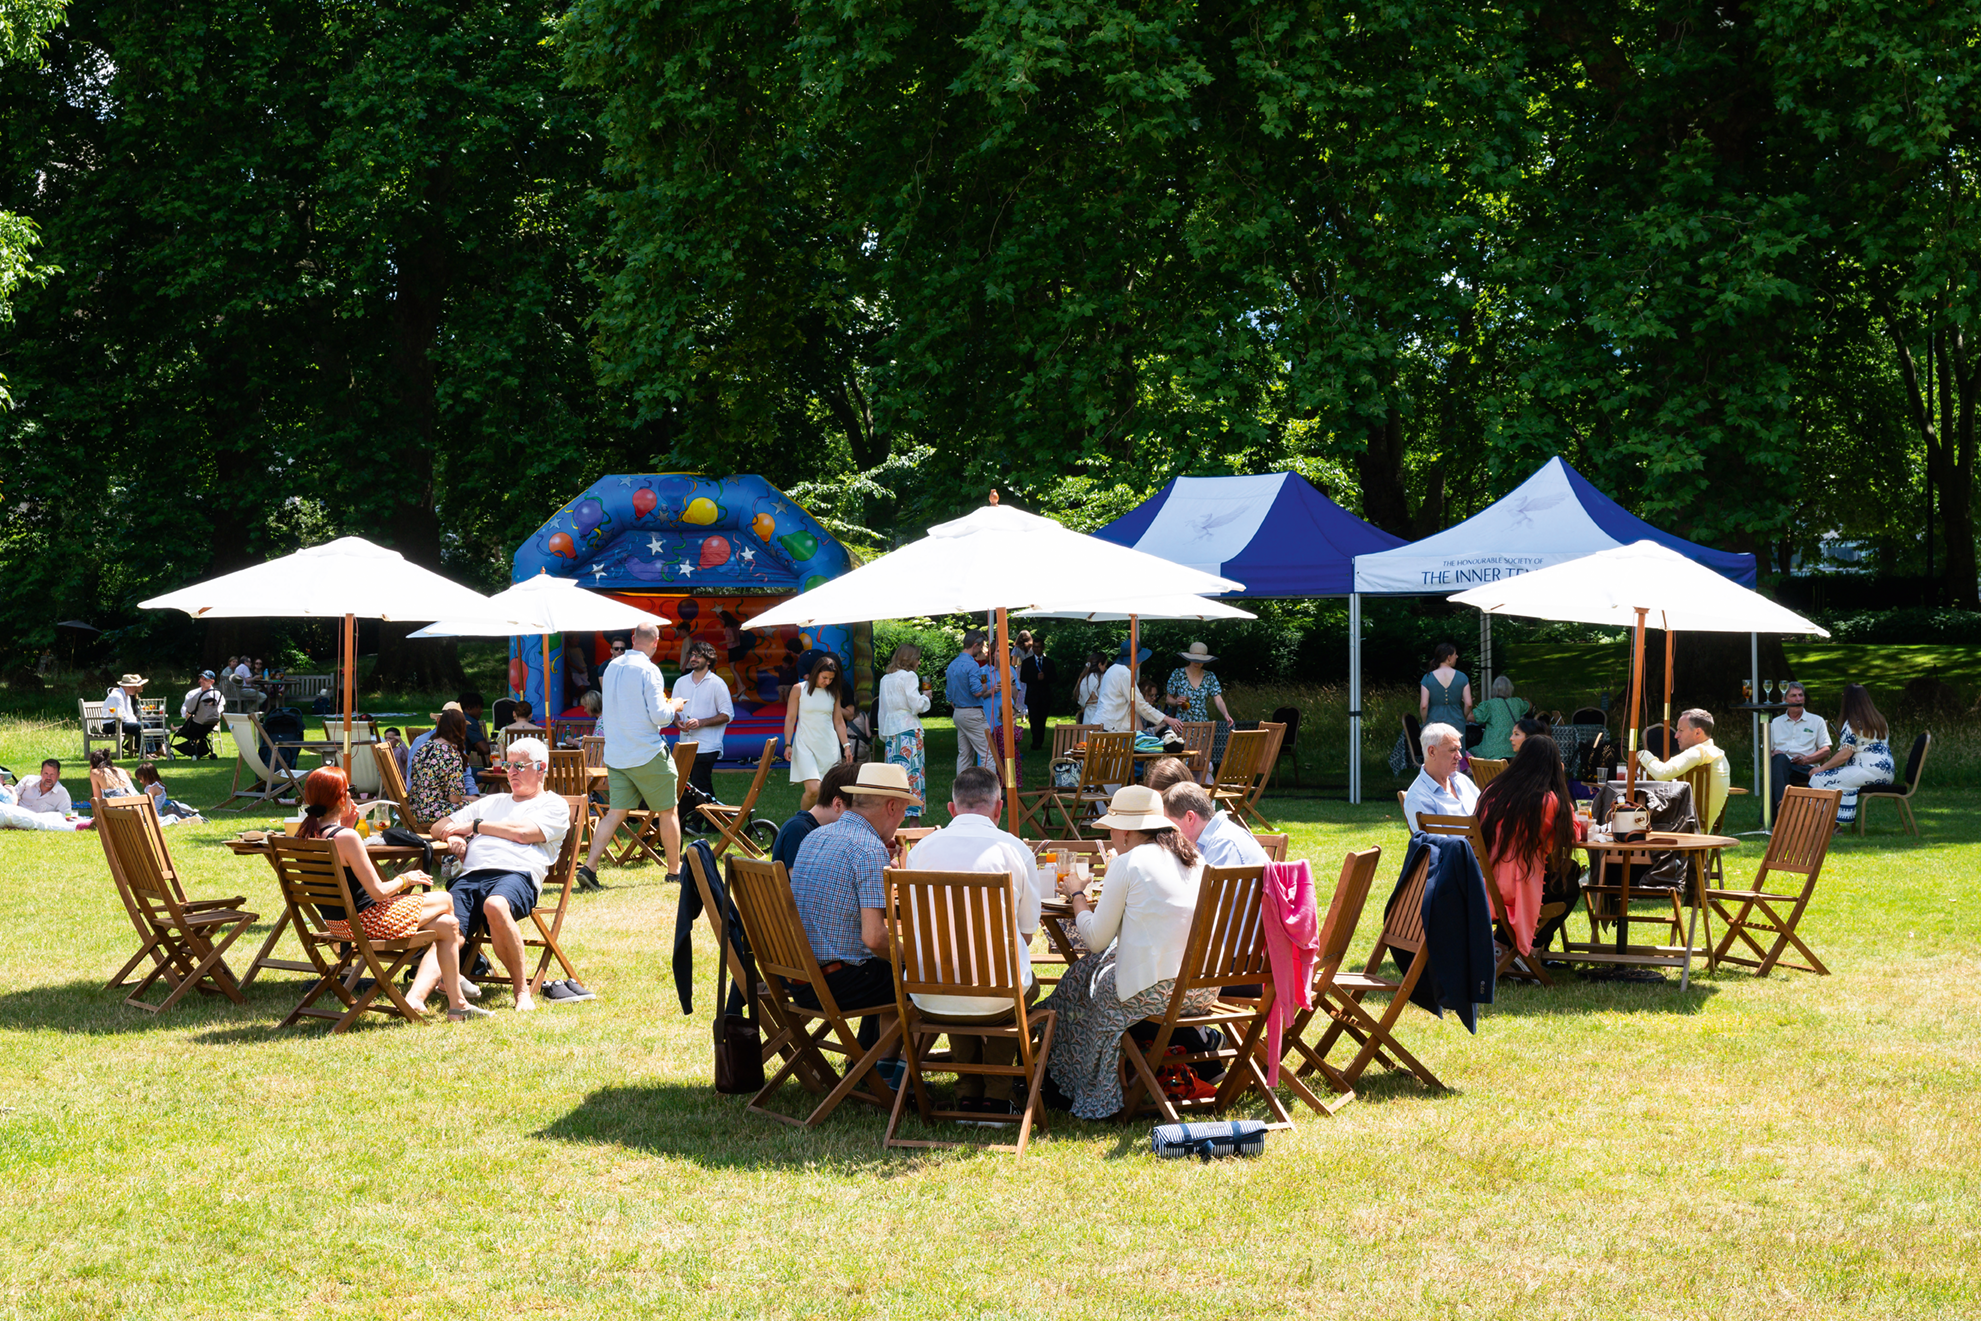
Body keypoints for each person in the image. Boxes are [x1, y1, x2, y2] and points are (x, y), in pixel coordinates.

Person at [1039, 785, 1206, 1119]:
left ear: (1126, 832)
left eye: (1112, 827)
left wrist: (1077, 896)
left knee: (1087, 985)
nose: (1111, 833)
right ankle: (1062, 1076)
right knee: (1081, 976)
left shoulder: (1128, 864)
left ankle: (1077, 1087)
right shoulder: (1193, 857)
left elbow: (1096, 939)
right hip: (1200, 989)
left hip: (1157, 992)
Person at [902, 766, 1041, 1118]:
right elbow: (1026, 933)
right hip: (996, 997)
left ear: (952, 809)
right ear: (998, 808)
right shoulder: (1013, 850)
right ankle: (996, 1096)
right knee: (1009, 987)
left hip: (930, 993)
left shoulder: (921, 851)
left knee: (959, 982)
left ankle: (966, 1094)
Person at [296, 766, 484, 1021]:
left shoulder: (304, 835)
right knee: (446, 898)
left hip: (337, 925)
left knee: (448, 924)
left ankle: (457, 1004)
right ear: (341, 798)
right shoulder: (346, 837)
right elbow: (379, 892)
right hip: (366, 923)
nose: (352, 796)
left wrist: (347, 824)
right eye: (349, 791)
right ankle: (450, 981)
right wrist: (406, 878)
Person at [429, 738, 571, 1012]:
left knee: (495, 905)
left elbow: (522, 833)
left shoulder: (553, 805)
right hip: (471, 875)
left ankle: (522, 994)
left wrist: (475, 826)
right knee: (446, 923)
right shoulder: (493, 801)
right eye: (508, 765)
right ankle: (416, 998)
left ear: (541, 768)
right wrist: (454, 837)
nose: (511, 772)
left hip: (516, 874)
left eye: (520, 765)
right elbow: (438, 826)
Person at [787, 762, 922, 1052]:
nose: (901, 819)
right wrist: (918, 957)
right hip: (835, 981)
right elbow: (874, 939)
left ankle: (869, 1064)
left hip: (798, 977)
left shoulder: (815, 836)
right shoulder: (868, 849)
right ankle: (892, 1075)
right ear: (891, 807)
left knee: (890, 970)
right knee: (925, 982)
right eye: (904, 811)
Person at [583, 621, 681, 889]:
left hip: (616, 753)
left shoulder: (612, 666)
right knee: (668, 811)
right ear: (656, 642)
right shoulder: (650, 670)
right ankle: (674, 872)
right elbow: (660, 715)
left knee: (615, 812)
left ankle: (589, 868)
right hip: (645, 751)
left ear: (632, 638)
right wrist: (675, 706)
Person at [1475, 736, 1582, 957]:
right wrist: (1562, 789)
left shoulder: (1491, 791)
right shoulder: (1546, 800)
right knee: (1569, 881)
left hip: (1483, 884)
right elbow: (1571, 835)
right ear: (1553, 766)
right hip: (1518, 887)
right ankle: (1518, 951)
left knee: (1566, 871)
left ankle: (1503, 946)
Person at [1808, 684, 1895, 827]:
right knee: (1834, 778)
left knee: (1819, 779)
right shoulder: (1880, 720)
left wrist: (1821, 768)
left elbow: (1845, 755)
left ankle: (1829, 826)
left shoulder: (1852, 723)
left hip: (1866, 770)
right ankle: (1833, 822)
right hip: (1887, 773)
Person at [1636, 708, 1731, 831]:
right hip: (1700, 833)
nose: (1676, 735)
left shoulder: (1700, 752)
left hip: (1677, 832)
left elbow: (1662, 773)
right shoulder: (1718, 755)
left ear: (1698, 732)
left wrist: (1643, 754)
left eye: (1681, 730)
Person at [784, 653, 851, 811]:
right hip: (804, 744)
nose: (827, 682)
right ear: (816, 672)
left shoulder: (833, 692)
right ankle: (802, 822)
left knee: (828, 793)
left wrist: (846, 746)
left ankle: (821, 824)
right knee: (814, 790)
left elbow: (839, 721)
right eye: (824, 677)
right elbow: (790, 718)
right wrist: (787, 744)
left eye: (831, 679)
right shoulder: (799, 689)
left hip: (828, 746)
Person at [771, 762, 862, 871]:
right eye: (858, 811)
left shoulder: (828, 831)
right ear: (838, 804)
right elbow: (798, 883)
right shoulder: (797, 830)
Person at [673, 640, 734, 803]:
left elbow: (727, 715)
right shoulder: (681, 682)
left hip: (707, 744)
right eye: (691, 655)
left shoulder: (717, 684)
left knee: (700, 782)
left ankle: (702, 820)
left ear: (708, 660)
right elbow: (674, 711)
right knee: (687, 784)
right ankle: (704, 818)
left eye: (698, 655)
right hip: (685, 743)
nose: (693, 658)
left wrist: (701, 722)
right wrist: (676, 721)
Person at [876, 643, 933, 818]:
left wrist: (883, 734)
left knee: (894, 777)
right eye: (917, 658)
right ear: (910, 659)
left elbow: (882, 709)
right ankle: (913, 818)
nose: (919, 662)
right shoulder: (909, 676)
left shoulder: (885, 679)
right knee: (912, 775)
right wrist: (926, 699)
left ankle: (893, 815)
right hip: (908, 730)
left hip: (891, 733)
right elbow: (916, 705)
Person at [1161, 780, 1267, 868]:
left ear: (1190, 818)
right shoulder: (1215, 838)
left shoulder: (1223, 844)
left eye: (1170, 825)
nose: (1168, 833)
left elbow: (1212, 893)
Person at [1769, 682, 1834, 815]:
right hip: (1782, 767)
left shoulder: (1816, 721)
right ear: (1784, 700)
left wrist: (1805, 759)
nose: (1798, 699)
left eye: (1800, 695)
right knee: (1779, 761)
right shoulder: (1776, 722)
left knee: (1776, 773)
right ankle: (1782, 806)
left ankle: (1776, 817)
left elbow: (1826, 750)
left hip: (1806, 768)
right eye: (1793, 696)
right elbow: (1767, 751)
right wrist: (1773, 752)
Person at [1404, 722, 1478, 832]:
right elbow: (1440, 845)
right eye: (1453, 750)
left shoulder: (1462, 780)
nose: (1459, 756)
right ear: (1432, 752)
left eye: (1459, 749)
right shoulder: (1419, 797)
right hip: (1463, 849)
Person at [408, 709, 473, 824]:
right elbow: (454, 799)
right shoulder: (451, 755)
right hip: (434, 813)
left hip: (415, 811)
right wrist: (471, 799)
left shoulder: (424, 747)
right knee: (479, 808)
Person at [945, 631, 995, 774]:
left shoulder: (952, 665)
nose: (981, 650)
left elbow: (949, 695)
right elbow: (977, 691)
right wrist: (986, 686)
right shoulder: (972, 665)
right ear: (975, 645)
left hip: (958, 713)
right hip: (973, 713)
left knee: (964, 755)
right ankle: (989, 790)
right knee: (987, 753)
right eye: (981, 647)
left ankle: (960, 790)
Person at [1097, 640, 1171, 734]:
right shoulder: (1124, 673)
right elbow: (1139, 704)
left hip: (1105, 724)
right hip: (1111, 727)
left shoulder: (1113, 669)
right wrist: (1167, 719)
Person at [1165, 642, 1234, 726]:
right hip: (1181, 724)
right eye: (1194, 660)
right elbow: (1168, 699)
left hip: (1202, 724)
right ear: (1189, 658)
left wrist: (1226, 714)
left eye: (1201, 660)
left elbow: (1218, 700)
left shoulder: (1209, 676)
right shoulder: (1178, 674)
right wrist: (1176, 701)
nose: (1197, 663)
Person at [1471, 675, 1530, 759]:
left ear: (1494, 689)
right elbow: (1529, 705)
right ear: (1510, 688)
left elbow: (1472, 717)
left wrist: (1467, 705)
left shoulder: (1489, 705)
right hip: (1513, 751)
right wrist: (1526, 699)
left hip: (1492, 752)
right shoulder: (1518, 703)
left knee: (1468, 752)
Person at [1017, 631, 1056, 752]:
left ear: (1043, 648)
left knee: (1042, 719)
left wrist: (1045, 677)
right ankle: (1035, 741)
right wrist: (1035, 677)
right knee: (1033, 719)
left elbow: (1055, 677)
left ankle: (1040, 740)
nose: (1036, 649)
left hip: (1044, 695)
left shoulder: (1049, 662)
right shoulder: (1027, 662)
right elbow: (1023, 678)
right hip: (1032, 694)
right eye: (1034, 647)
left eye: (1038, 647)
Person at [1420, 643, 1472, 733]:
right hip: (1457, 723)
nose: (1457, 656)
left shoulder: (1427, 678)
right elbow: (1469, 704)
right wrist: (1462, 717)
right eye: (1455, 654)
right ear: (1449, 657)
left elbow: (1424, 706)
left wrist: (1425, 722)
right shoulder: (1463, 677)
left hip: (1434, 724)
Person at [174, 670, 224, 758]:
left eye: (205, 679)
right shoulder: (193, 694)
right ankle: (194, 743)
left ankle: (185, 733)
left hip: (209, 722)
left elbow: (220, 708)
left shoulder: (216, 694)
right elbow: (186, 709)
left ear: (212, 682)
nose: (202, 681)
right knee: (190, 715)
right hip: (197, 722)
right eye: (202, 678)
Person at [134, 761, 201, 822]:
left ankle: (179, 821)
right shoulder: (158, 785)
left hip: (153, 814)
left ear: (149, 776)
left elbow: (145, 801)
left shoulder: (154, 787)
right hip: (156, 813)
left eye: (141, 779)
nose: (140, 781)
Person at [103, 672, 147, 755]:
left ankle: (149, 752)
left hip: (119, 723)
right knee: (138, 727)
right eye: (135, 687)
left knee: (146, 725)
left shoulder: (126, 696)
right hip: (111, 725)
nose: (136, 688)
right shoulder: (117, 696)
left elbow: (129, 713)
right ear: (129, 687)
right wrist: (134, 723)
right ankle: (143, 753)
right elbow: (121, 715)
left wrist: (134, 720)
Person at [1073, 651, 1106, 726]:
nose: (1105, 668)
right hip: (1100, 718)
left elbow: (1082, 706)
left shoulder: (1083, 679)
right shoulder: (1102, 678)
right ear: (1100, 664)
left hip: (1087, 718)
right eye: (1105, 665)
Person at [458, 691, 491, 765]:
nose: (481, 711)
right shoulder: (469, 721)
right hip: (458, 769)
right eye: (479, 708)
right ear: (469, 708)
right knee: (484, 774)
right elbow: (484, 749)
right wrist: (498, 747)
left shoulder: (451, 718)